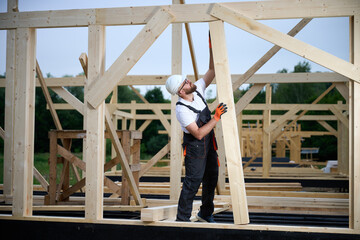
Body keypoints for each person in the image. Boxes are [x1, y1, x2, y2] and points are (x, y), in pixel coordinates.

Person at [165, 35, 227, 223]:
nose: (190, 81)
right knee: (193, 182)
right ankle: (182, 220)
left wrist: (211, 46)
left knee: (211, 177)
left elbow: (212, 69)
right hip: (196, 147)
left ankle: (205, 213)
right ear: (181, 92)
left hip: (209, 144)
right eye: (186, 82)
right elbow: (198, 133)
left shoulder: (198, 89)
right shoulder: (181, 110)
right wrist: (216, 117)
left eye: (187, 80)